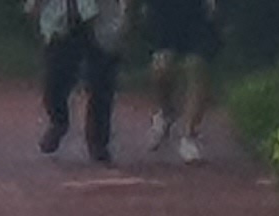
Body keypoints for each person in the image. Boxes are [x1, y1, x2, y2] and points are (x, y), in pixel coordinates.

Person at [31, 0, 128, 163]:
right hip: (62, 17)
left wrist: (126, 16)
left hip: (102, 18)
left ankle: (98, 142)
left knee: (101, 83)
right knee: (54, 79)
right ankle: (58, 120)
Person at [144, 0, 219, 161]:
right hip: (164, 12)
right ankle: (166, 112)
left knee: (196, 65)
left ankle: (189, 135)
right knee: (161, 68)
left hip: (197, 12)